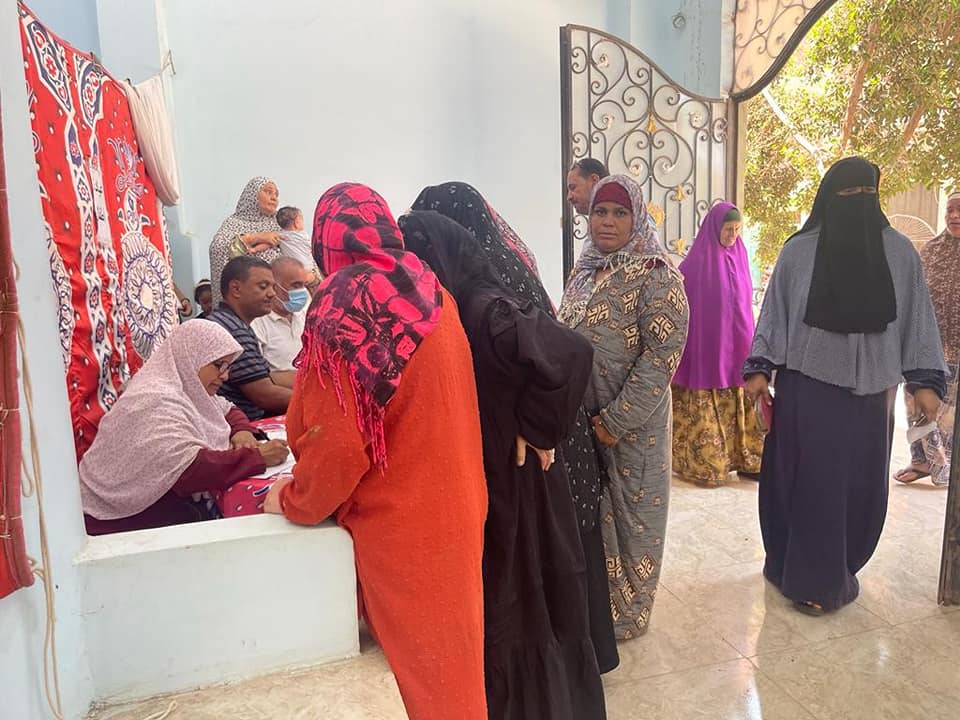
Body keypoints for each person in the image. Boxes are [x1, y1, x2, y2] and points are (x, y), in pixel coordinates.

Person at [263, 183, 488, 720]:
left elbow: (337, 445)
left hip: (404, 523)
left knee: (432, 685)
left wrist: (294, 498)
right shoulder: (432, 290)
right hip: (458, 502)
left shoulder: (344, 304)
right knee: (454, 663)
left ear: (325, 243)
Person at [400, 210, 607, 720]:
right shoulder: (458, 307)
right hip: (493, 472)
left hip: (519, 478)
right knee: (514, 598)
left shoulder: (485, 307)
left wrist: (535, 427)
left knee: (525, 598)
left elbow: (571, 351)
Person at [743, 157, 947, 615]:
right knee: (812, 483)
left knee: (859, 485)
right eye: (848, 193)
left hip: (873, 395)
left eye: (867, 193)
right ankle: (812, 579)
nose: (858, 201)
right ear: (828, 197)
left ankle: (838, 567)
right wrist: (759, 369)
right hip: (808, 389)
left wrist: (925, 380)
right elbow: (774, 314)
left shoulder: (900, 254)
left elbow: (918, 319)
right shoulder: (799, 252)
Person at [558, 174, 689, 640]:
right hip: (582, 423)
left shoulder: (657, 275)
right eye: (599, 211)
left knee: (634, 520)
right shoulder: (583, 271)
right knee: (592, 517)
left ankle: (628, 616)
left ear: (637, 219)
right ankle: (596, 608)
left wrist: (614, 422)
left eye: (619, 213)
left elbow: (661, 358)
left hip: (634, 429)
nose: (607, 222)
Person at [79, 322, 289, 535]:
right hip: (121, 521)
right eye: (219, 365)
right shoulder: (154, 399)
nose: (225, 376)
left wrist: (242, 431)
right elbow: (189, 471)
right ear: (191, 356)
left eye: (228, 366)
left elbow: (227, 409)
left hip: (159, 505)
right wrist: (256, 458)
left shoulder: (187, 388)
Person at [671, 202, 765, 486]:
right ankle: (707, 465)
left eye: (737, 229)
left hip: (738, 344)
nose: (732, 235)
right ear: (714, 229)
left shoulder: (741, 255)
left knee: (739, 393)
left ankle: (747, 460)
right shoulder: (695, 264)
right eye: (727, 229)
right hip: (708, 346)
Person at [895, 191, 960, 487]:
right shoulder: (931, 250)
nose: (954, 216)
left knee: (948, 413)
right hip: (927, 347)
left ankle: (944, 466)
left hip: (957, 349)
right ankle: (921, 460)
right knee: (917, 402)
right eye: (950, 210)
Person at [205, 256, 294, 420]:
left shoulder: (229, 322)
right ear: (236, 289)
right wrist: (314, 401)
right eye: (263, 286)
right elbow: (264, 396)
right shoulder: (234, 330)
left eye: (273, 287)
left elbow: (264, 379)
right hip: (237, 425)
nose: (272, 294)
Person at [209, 177, 283, 305]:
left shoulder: (280, 222)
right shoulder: (235, 223)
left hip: (279, 300)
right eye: (268, 192)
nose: (274, 198)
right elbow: (218, 248)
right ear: (252, 195)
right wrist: (256, 238)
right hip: (247, 302)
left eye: (276, 194)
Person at [250, 257, 310, 371]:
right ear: (274, 287)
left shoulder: (306, 316)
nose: (303, 291)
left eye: (304, 285)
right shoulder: (257, 323)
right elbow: (257, 376)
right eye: (296, 285)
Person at [276, 205, 322, 289]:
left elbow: (267, 244)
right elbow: (314, 248)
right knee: (319, 285)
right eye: (301, 220)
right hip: (307, 269)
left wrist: (254, 249)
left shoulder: (280, 236)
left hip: (292, 271)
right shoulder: (303, 236)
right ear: (296, 223)